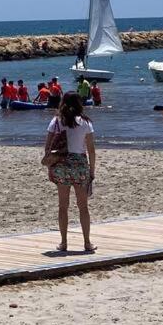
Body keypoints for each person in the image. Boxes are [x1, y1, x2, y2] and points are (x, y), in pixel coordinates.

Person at [42, 93, 97, 254]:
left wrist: (50, 166)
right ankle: (87, 243)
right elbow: (91, 150)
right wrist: (91, 172)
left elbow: (47, 147)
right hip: (79, 164)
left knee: (63, 206)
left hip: (61, 164)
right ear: (79, 104)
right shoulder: (85, 122)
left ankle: (64, 242)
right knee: (83, 207)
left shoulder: (56, 121)